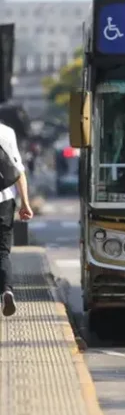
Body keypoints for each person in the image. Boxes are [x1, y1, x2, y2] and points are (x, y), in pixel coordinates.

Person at [0, 122, 34, 317]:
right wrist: (25, 203)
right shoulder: (5, 132)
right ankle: (7, 290)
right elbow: (18, 170)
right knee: (2, 252)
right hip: (4, 200)